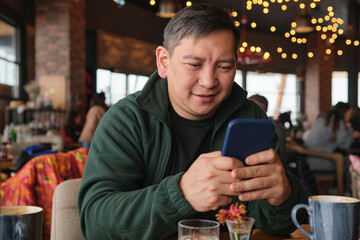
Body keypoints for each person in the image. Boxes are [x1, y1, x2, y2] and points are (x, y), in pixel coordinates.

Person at [78, 4, 307, 239]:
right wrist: (181, 193)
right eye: (194, 65)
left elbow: (278, 226)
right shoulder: (127, 120)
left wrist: (283, 197)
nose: (209, 81)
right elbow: (96, 223)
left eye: (224, 66)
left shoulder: (251, 119)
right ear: (164, 62)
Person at [304, 102, 355, 171]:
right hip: (321, 160)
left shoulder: (324, 118)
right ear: (344, 112)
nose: (350, 116)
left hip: (309, 159)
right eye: (350, 113)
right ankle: (346, 182)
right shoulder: (336, 122)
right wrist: (349, 128)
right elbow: (345, 144)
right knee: (351, 162)